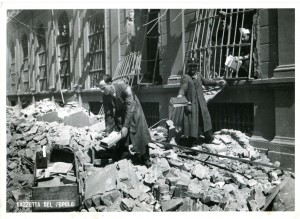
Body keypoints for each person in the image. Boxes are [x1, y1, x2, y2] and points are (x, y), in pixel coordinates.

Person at [98, 75, 152, 167]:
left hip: (134, 109)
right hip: (120, 111)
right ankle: (123, 153)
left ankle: (145, 157)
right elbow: (108, 114)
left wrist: (126, 126)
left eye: (103, 88)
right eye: (100, 89)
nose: (102, 91)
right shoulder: (106, 96)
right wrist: (108, 129)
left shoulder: (124, 88)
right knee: (119, 130)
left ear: (110, 83)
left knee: (139, 132)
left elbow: (130, 107)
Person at [177, 57, 226, 147]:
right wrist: (180, 95)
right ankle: (192, 143)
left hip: (201, 104)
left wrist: (217, 82)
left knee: (206, 121)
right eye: (191, 66)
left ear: (197, 67)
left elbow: (206, 82)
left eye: (194, 66)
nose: (192, 68)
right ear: (188, 67)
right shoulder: (186, 77)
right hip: (192, 104)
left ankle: (209, 139)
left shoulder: (199, 75)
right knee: (193, 123)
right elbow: (183, 88)